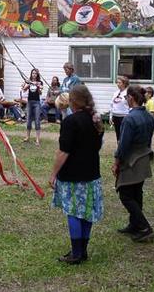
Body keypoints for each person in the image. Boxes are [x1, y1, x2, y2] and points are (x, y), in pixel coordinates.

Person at [49, 85, 104, 264]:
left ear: (73, 101)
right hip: (91, 173)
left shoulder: (70, 122)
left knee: (73, 212)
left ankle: (76, 253)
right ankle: (82, 251)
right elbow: (97, 147)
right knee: (87, 213)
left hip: (73, 175)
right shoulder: (95, 119)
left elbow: (63, 152)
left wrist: (53, 174)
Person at [112, 85, 154, 242]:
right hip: (144, 157)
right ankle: (135, 224)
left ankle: (144, 227)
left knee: (125, 195)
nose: (126, 100)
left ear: (131, 97)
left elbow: (123, 145)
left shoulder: (129, 119)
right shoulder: (149, 117)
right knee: (137, 192)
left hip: (132, 160)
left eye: (126, 98)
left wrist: (116, 162)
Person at [23, 68, 43, 145]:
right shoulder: (28, 81)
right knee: (28, 119)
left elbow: (40, 92)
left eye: (35, 73)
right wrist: (29, 84)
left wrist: (38, 86)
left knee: (37, 120)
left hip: (37, 102)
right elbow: (24, 89)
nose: (34, 74)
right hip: (29, 102)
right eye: (33, 73)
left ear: (37, 74)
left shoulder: (40, 82)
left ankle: (37, 139)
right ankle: (27, 137)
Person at [109, 76, 130, 142]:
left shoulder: (127, 93)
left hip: (124, 116)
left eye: (119, 83)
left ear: (124, 83)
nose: (117, 84)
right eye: (117, 82)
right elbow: (112, 105)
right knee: (118, 134)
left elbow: (130, 105)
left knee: (124, 135)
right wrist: (111, 116)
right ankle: (119, 149)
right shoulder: (116, 93)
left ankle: (124, 149)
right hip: (116, 116)